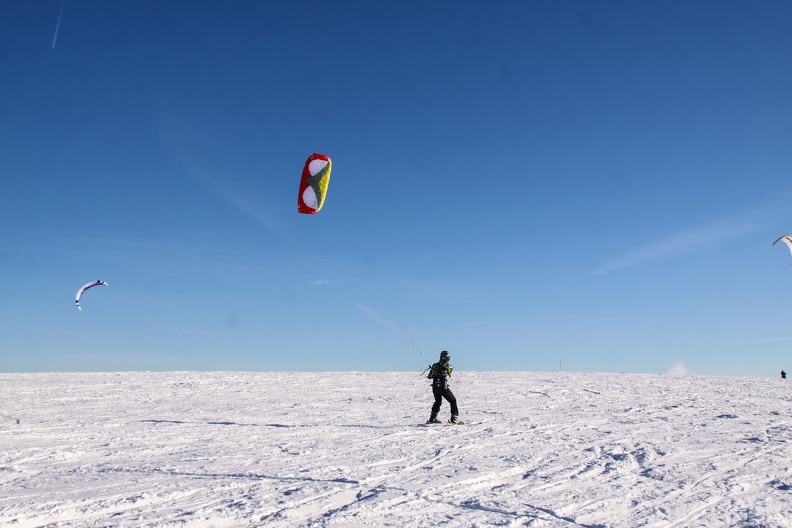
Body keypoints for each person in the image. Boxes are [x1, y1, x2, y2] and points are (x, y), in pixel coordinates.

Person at [426, 350, 460, 424]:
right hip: (443, 387)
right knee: (453, 400)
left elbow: (429, 376)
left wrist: (433, 370)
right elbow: (447, 373)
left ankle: (433, 418)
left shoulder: (435, 365)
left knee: (438, 401)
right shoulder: (449, 366)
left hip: (435, 387)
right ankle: (454, 418)